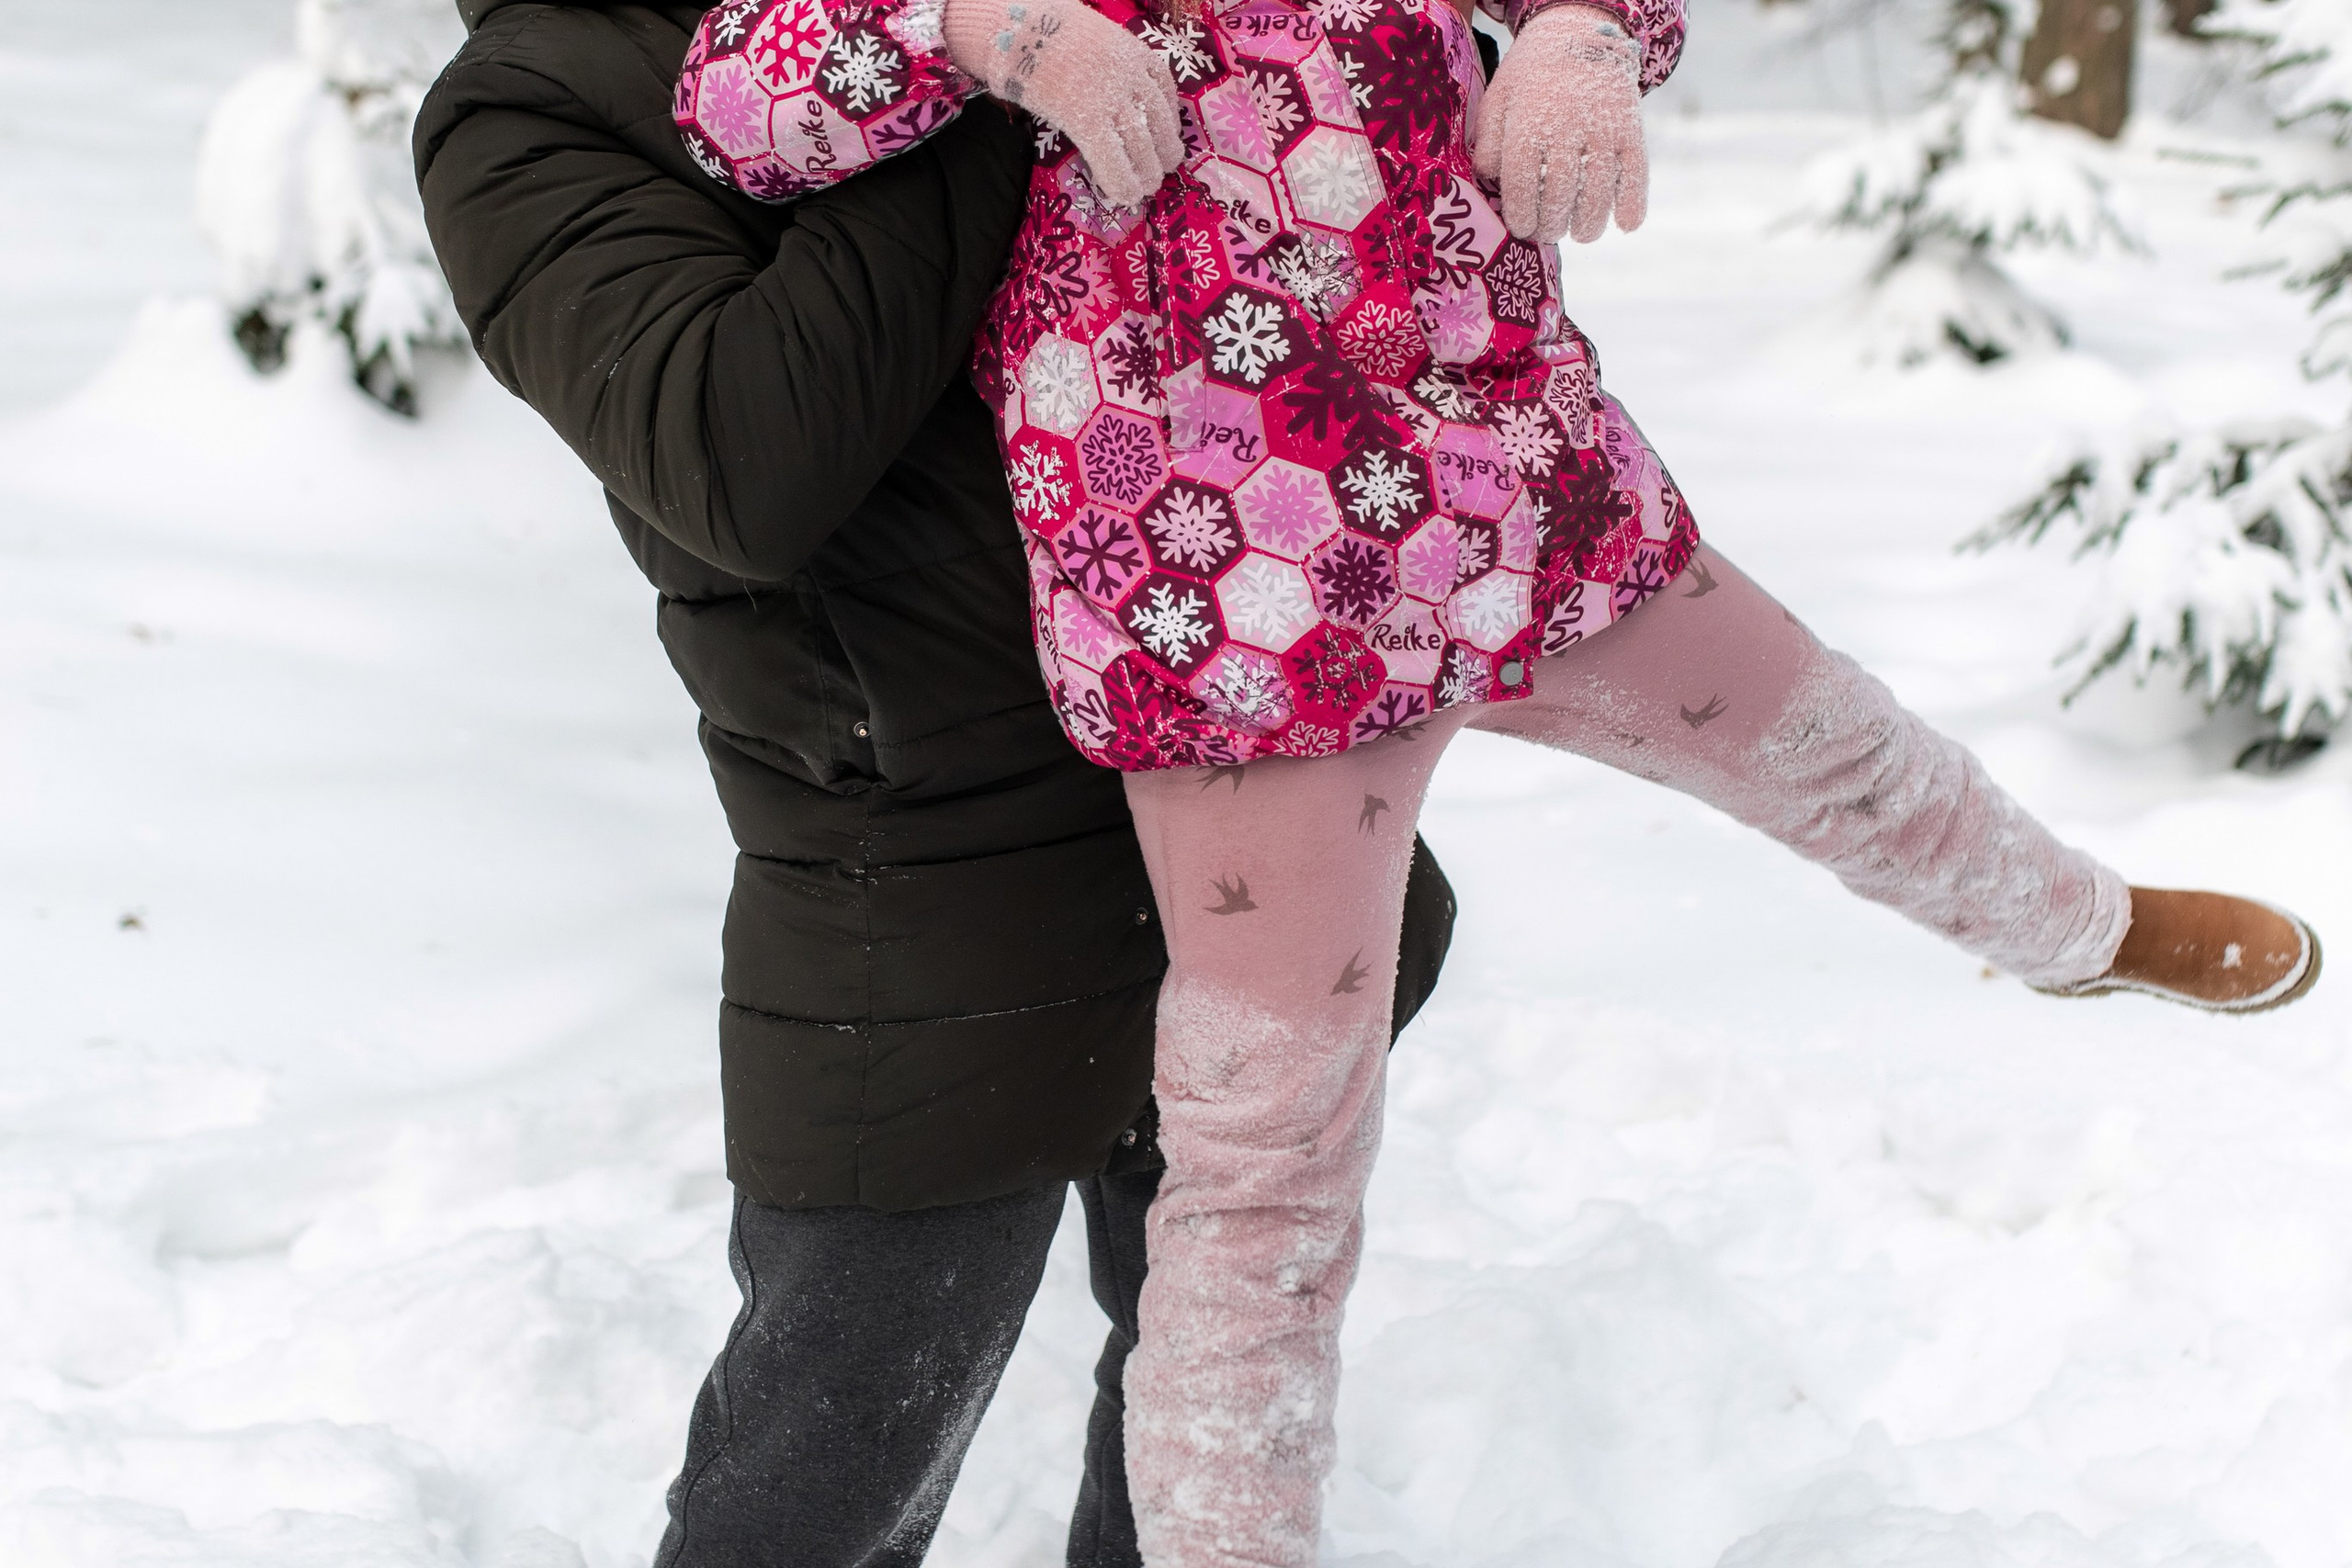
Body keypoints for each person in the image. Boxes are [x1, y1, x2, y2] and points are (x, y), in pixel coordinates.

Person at [670, 0, 2324, 1562]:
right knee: (1269, 1180)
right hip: (1237, 596)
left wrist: (1580, 40)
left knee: (1842, 748)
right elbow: (739, 99)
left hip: (1518, 481)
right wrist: (988, 29)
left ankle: (2090, 928)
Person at [413, 5, 1461, 1566]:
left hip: (1239, 811)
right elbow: (737, 455)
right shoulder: (530, 106)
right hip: (926, 894)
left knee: (1212, 1394)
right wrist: (980, 62)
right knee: (826, 1470)